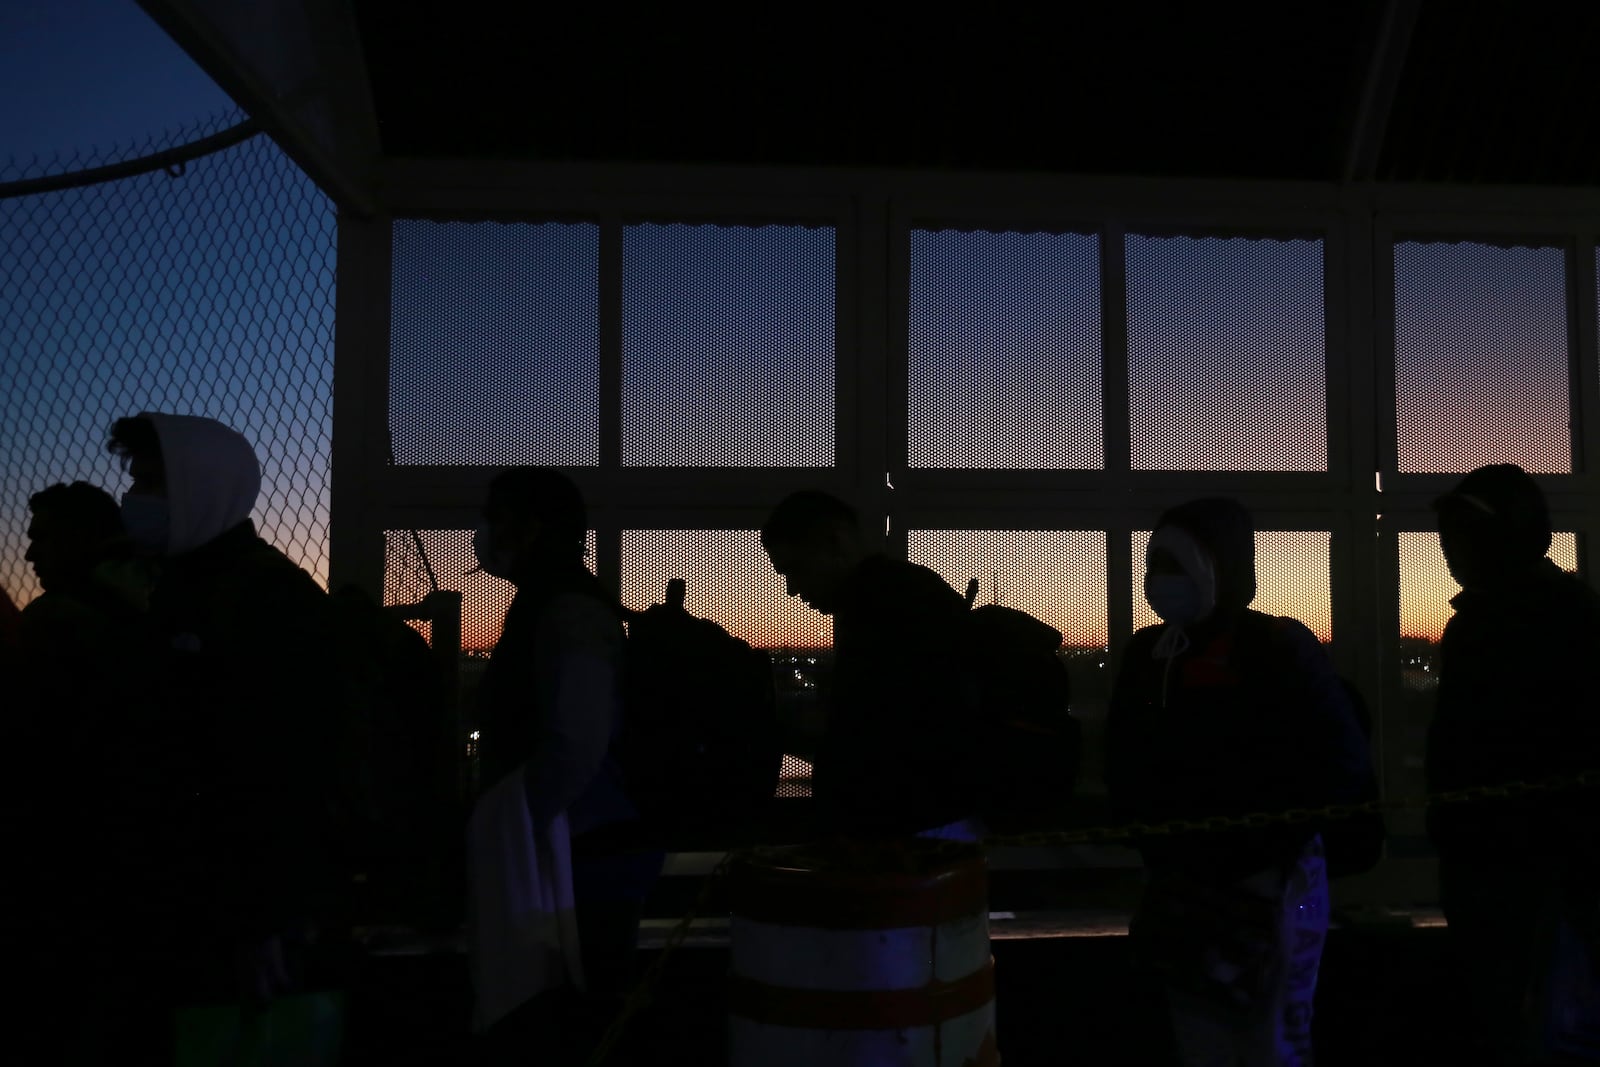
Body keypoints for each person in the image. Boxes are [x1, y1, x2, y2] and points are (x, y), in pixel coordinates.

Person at [99, 412, 347, 1063]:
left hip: (235, 906)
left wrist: (264, 920)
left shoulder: (270, 603)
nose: (135, 501)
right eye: (138, 482)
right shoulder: (185, 586)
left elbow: (284, 771)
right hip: (199, 892)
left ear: (202, 488)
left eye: (151, 484)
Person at [1106, 497, 1372, 1067]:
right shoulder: (1148, 656)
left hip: (1271, 889)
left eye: (1175, 564)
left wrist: (1261, 848)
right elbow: (1124, 760)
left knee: (1270, 1036)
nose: (1157, 579)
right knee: (1198, 1036)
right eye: (1153, 563)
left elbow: (1340, 765)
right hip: (1181, 889)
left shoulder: (1277, 649)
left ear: (1220, 568)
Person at [468, 468, 661, 1066]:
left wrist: (515, 818)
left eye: (496, 520)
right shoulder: (563, 602)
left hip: (578, 852)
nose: (484, 535)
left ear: (530, 529)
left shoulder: (565, 610)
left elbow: (575, 742)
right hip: (579, 846)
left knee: (573, 1015)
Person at [1427, 463, 1600, 1064]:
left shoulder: (1540, 621)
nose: (1450, 554)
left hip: (1532, 865)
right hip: (1505, 858)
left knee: (1537, 1021)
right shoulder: (1530, 614)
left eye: (1459, 540)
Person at [760, 489, 980, 841]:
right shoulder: (900, 596)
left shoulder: (880, 609)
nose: (792, 588)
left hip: (912, 832)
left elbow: (874, 738)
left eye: (795, 569)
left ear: (837, 542)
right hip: (931, 822)